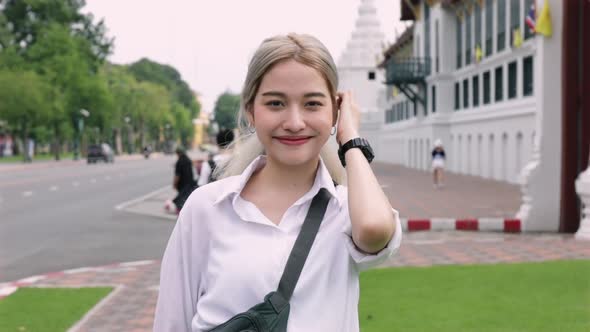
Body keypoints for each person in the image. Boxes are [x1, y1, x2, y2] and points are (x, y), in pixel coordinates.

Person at [154, 33, 402, 332]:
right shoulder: (207, 207)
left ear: (335, 111)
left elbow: (374, 230)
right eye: (275, 103)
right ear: (251, 110)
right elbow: (172, 322)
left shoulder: (348, 210)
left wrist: (350, 140)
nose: (295, 122)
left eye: (312, 104)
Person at [171, 147, 197, 212]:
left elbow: (177, 175)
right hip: (190, 182)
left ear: (178, 153)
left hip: (182, 183)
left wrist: (174, 184)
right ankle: (185, 210)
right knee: (186, 197)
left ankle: (180, 211)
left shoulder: (179, 162)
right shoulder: (188, 160)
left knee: (180, 199)